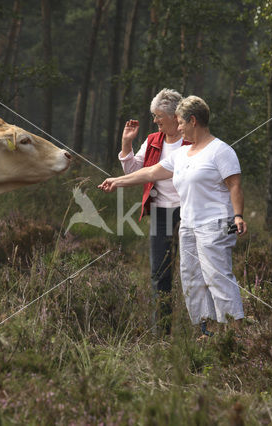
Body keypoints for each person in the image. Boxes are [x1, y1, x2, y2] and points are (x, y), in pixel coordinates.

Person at [100, 96, 247, 338]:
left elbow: (235, 186)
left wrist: (239, 216)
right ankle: (207, 331)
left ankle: (234, 333)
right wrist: (118, 181)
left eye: (180, 123)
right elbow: (151, 172)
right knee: (191, 279)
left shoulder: (221, 151)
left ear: (193, 121)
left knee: (217, 276)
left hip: (216, 224)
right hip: (188, 225)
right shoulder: (183, 154)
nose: (178, 129)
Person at [118, 88, 190, 334]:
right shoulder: (152, 140)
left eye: (159, 116)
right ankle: (162, 332)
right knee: (160, 273)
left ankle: (202, 329)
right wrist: (127, 142)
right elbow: (133, 172)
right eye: (154, 116)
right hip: (161, 213)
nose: (156, 120)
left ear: (174, 116)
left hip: (189, 211)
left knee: (192, 271)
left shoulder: (192, 140)